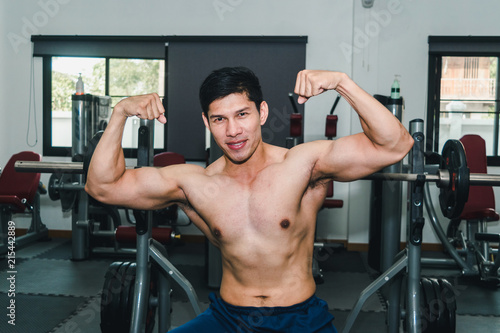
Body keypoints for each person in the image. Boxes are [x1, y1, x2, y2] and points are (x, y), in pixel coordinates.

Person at [86, 67, 414, 332]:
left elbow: (394, 145)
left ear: (262, 112)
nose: (233, 131)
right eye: (219, 119)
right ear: (206, 122)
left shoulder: (302, 165)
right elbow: (103, 186)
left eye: (242, 114)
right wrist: (120, 113)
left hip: (299, 320)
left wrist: (342, 83)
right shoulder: (194, 182)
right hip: (229, 319)